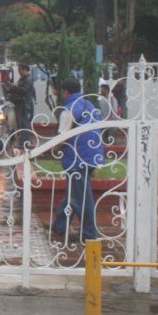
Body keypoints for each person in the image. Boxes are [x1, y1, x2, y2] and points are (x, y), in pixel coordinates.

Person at [51, 78, 104, 243]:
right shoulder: (88, 105)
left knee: (81, 197)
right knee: (74, 193)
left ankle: (89, 232)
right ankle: (60, 224)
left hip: (77, 157)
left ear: (65, 92)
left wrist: (47, 151)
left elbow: (62, 138)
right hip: (92, 154)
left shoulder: (69, 109)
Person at [5, 64, 36, 148]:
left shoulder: (28, 79)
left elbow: (24, 90)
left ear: (24, 69)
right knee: (21, 123)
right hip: (20, 104)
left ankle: (24, 143)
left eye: (19, 69)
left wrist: (13, 86)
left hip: (24, 104)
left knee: (24, 124)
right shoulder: (23, 79)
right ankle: (22, 142)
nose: (18, 71)